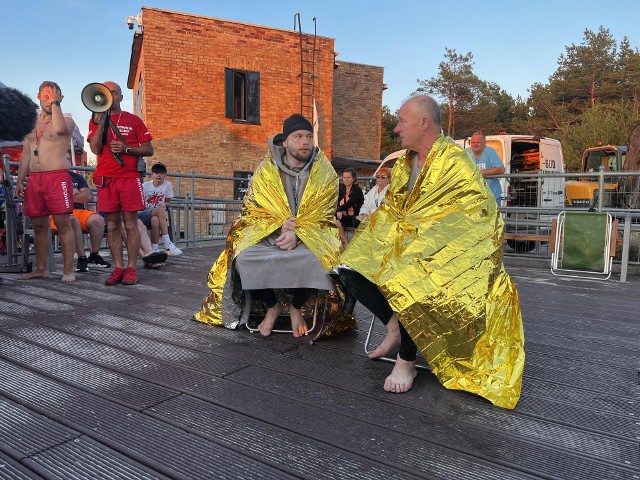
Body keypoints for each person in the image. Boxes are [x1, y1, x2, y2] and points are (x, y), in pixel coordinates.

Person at [335, 95, 524, 409]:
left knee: (412, 278)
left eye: (402, 121)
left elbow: (478, 216)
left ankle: (407, 359)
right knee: (348, 268)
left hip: (451, 258)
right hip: (403, 247)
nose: (396, 128)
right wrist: (374, 235)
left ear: (424, 123)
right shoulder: (407, 162)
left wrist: (427, 244)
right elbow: (394, 210)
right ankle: (393, 326)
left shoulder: (455, 162)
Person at [194, 114, 341, 337]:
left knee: (321, 260)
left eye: (309, 136)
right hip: (271, 237)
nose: (305, 142)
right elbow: (253, 210)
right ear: (285, 142)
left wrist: (299, 233)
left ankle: (295, 306)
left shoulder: (325, 172)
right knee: (243, 258)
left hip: (312, 240)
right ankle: (273, 305)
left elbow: (325, 213)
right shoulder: (266, 170)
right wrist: (280, 227)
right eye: (298, 136)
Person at [88, 81, 153, 286]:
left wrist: (126, 149)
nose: (110, 96)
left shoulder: (133, 120)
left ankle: (131, 267)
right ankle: (118, 267)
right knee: (113, 225)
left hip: (129, 178)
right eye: (106, 93)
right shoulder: (96, 120)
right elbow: (96, 149)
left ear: (121, 97)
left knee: (131, 223)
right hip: (107, 179)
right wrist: (100, 125)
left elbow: (149, 149)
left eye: (114, 93)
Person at [15, 81, 76, 282]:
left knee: (62, 224)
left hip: (56, 176)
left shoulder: (66, 120)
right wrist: (20, 181)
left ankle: (68, 270)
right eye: (46, 97)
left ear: (61, 99)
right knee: (39, 226)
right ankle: (42, 268)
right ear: (38, 97)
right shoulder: (31, 124)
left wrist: (56, 104)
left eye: (54, 97)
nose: (50, 101)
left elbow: (59, 130)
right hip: (35, 179)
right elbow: (25, 154)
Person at [49, 170, 111, 272]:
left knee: (97, 219)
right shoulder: (50, 176)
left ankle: (94, 255)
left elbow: (88, 196)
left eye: (68, 158)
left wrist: (65, 195)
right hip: (58, 212)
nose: (66, 160)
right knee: (72, 220)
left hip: (79, 211)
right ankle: (82, 257)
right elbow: (51, 198)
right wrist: (72, 193)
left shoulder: (77, 177)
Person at [139, 161, 182, 256]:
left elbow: (167, 202)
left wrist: (164, 205)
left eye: (161, 173)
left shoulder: (168, 185)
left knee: (155, 220)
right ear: (152, 174)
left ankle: (154, 249)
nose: (159, 175)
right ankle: (167, 242)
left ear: (165, 174)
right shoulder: (145, 186)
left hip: (157, 214)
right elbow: (140, 203)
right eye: (156, 173)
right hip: (144, 212)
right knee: (159, 210)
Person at [465, 131, 505, 205]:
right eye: (473, 142)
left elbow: (501, 169)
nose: (475, 145)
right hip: (473, 199)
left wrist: (480, 173)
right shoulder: (466, 152)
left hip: (491, 197)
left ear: (484, 143)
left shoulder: (490, 151)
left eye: (478, 142)